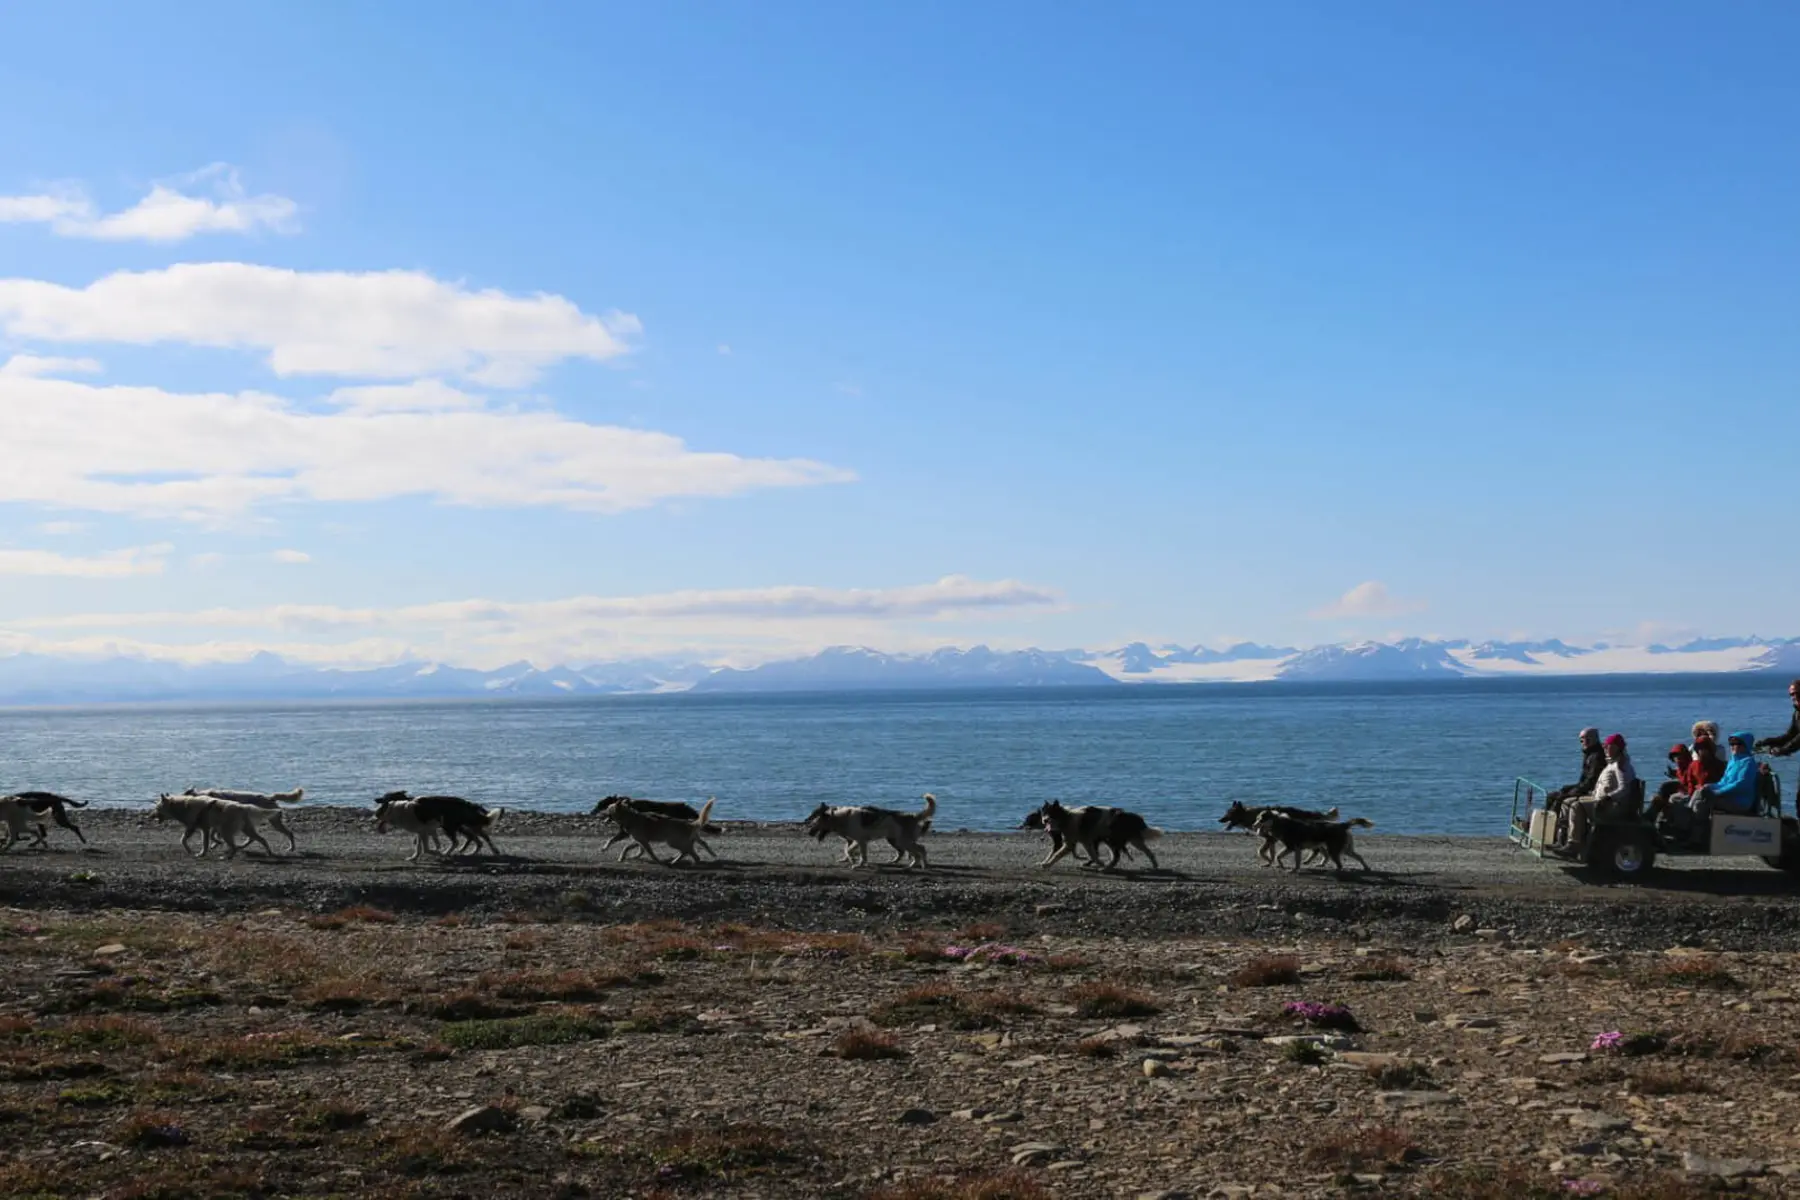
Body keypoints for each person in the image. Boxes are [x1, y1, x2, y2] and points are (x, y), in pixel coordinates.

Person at [1565, 734, 1636, 850]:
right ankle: (1564, 836)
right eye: (1604, 746)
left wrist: (1608, 797)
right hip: (1602, 801)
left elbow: (1624, 788)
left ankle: (1574, 843)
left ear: (1617, 748)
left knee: (1576, 806)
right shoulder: (1613, 763)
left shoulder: (1620, 765)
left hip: (1612, 807)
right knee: (1569, 801)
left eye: (1608, 746)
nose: (1605, 748)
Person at [1548, 727, 1607, 812]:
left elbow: (1592, 780)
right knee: (1552, 795)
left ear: (1593, 739)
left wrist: (1575, 790)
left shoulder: (1598, 756)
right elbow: (1584, 778)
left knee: (1560, 798)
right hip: (1584, 785)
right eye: (1581, 739)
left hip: (1592, 789)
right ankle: (1542, 818)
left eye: (1584, 739)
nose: (1581, 742)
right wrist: (1571, 787)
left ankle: (1554, 821)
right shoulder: (1589, 754)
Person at [1755, 681, 1800, 758]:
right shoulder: (1797, 713)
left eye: (1798, 693)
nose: (1795, 696)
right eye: (1792, 694)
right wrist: (1768, 742)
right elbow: (1790, 735)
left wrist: (1784, 749)